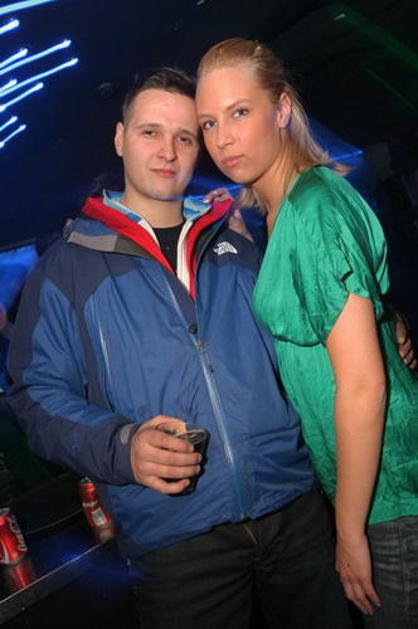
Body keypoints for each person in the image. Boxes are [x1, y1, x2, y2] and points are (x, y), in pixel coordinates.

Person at [7, 68, 354, 629]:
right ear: (121, 138)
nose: (168, 151)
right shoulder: (66, 269)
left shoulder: (235, 244)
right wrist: (121, 445)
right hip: (177, 543)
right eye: (151, 132)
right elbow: (36, 395)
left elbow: (305, 334)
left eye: (186, 137)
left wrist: (381, 325)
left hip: (295, 510)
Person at [196, 38, 418, 628]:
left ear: (282, 109)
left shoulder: (313, 207)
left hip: (390, 492)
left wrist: (348, 532)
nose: (222, 138)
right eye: (209, 122)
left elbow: (364, 387)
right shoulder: (282, 210)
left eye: (240, 112)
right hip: (375, 488)